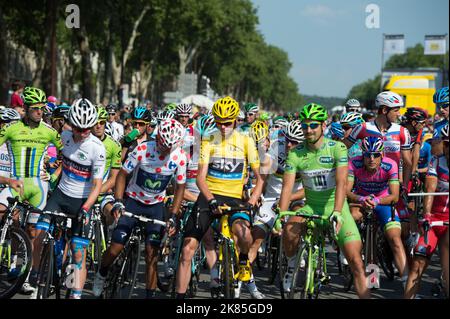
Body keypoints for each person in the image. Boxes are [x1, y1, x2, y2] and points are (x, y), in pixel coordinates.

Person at [175, 96, 264, 299]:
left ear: (235, 120)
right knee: (188, 249)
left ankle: (243, 260)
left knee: (244, 235)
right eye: (218, 122)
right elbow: (200, 178)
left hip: (235, 198)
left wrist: (251, 201)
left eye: (227, 123)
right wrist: (211, 200)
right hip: (210, 196)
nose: (223, 127)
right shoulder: (209, 140)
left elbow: (260, 179)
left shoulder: (246, 141)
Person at [280, 103, 369, 299]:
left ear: (323, 125)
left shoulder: (336, 148)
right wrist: (282, 214)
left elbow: (341, 183)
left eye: (313, 125)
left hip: (336, 208)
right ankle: (292, 264)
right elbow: (287, 188)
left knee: (356, 262)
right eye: (304, 126)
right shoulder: (295, 153)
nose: (308, 130)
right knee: (288, 231)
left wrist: (337, 212)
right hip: (311, 206)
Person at [92, 119, 187, 299]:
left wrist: (173, 216)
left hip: (156, 206)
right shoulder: (143, 149)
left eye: (169, 147)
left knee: (152, 256)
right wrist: (119, 201)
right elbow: (122, 175)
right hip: (133, 201)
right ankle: (102, 273)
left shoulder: (180, 157)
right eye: (162, 145)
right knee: (115, 248)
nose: (165, 150)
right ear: (157, 138)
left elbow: (180, 188)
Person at [31, 98, 105, 299]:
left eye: (86, 129)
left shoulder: (97, 148)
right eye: (78, 128)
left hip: (82, 201)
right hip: (61, 195)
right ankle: (35, 272)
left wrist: (86, 208)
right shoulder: (64, 136)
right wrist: (51, 167)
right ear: (70, 124)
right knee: (39, 231)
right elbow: (58, 158)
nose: (82, 133)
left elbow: (97, 185)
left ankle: (76, 294)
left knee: (78, 251)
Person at [347, 136, 408, 282]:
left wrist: (377, 200)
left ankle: (407, 283)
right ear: (363, 155)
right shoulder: (354, 163)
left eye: (376, 155)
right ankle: (370, 274)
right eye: (368, 155)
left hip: (383, 202)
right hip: (361, 201)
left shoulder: (390, 165)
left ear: (382, 155)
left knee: (395, 239)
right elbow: (346, 191)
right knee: (359, 223)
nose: (371, 159)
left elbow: (394, 196)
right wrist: (361, 199)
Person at [404, 124, 449, 299]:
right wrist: (427, 215)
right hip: (435, 220)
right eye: (446, 144)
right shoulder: (436, 161)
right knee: (418, 262)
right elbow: (430, 190)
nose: (448, 148)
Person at [91, 106, 122, 226]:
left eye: (102, 122)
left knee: (112, 213)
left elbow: (114, 178)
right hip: (83, 190)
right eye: (95, 123)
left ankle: (107, 238)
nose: (98, 126)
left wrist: (97, 191)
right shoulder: (84, 141)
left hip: (102, 191)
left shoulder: (114, 145)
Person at [431, 87, 449, 156]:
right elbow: (435, 152)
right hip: (442, 166)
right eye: (438, 106)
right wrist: (445, 139)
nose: (441, 109)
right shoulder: (438, 125)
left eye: (444, 105)